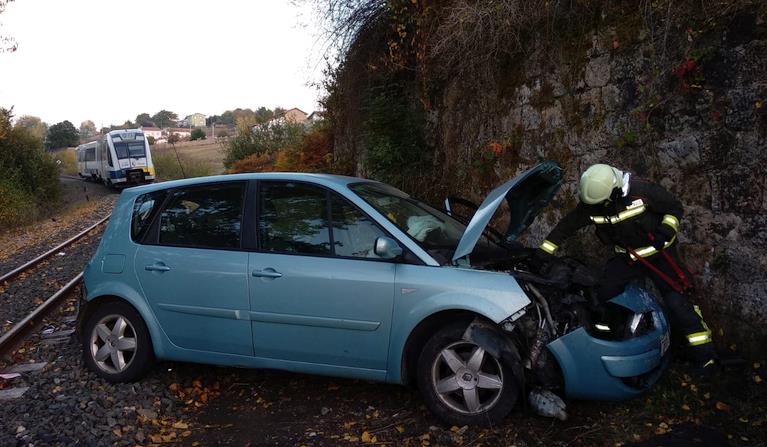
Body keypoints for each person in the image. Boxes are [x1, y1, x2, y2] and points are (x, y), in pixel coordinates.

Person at [536, 163, 716, 374]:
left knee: (679, 304)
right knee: (603, 293)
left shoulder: (643, 191)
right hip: (627, 258)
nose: (599, 207)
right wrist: (543, 252)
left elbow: (674, 208)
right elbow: (566, 227)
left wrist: (666, 231)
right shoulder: (594, 202)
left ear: (614, 191)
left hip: (660, 256)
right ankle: (613, 343)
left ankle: (705, 358)